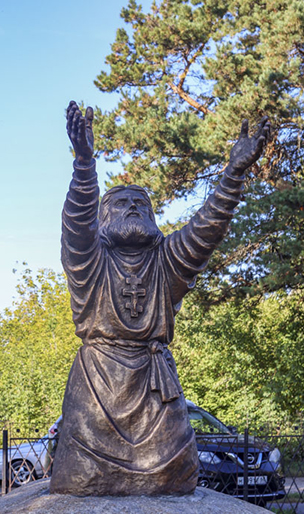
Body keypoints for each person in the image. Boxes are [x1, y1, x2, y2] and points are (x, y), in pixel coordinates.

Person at [50, 101, 269, 496]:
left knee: (174, 475)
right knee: (82, 476)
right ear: (103, 219)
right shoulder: (90, 261)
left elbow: (207, 229)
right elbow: (76, 226)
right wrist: (84, 164)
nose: (134, 207)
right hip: (98, 389)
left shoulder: (166, 260)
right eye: (121, 203)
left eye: (142, 204)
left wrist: (234, 173)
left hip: (157, 390)